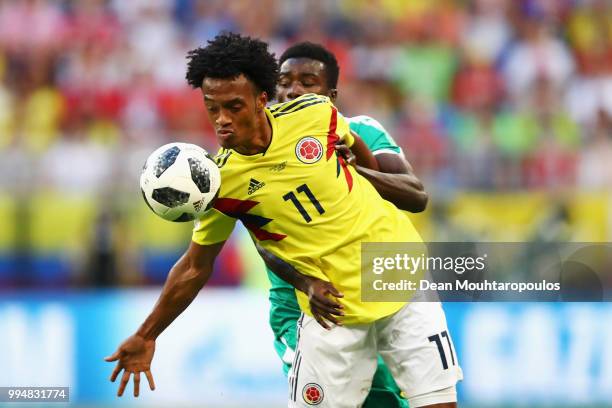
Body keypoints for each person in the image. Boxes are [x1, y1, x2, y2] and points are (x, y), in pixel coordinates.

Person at [105, 33, 462, 407]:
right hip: (331, 308)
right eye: (213, 109)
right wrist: (147, 334)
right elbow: (196, 267)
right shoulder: (219, 183)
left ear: (261, 100)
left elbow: (365, 163)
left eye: (234, 107)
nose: (222, 120)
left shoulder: (315, 114)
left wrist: (360, 171)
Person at [267, 41, 427, 408]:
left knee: (384, 399)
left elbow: (416, 196)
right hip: (301, 302)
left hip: (370, 290)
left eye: (308, 82)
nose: (293, 90)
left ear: (331, 95)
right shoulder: (259, 150)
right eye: (285, 81)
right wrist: (305, 283)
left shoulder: (362, 131)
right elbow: (261, 234)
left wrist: (356, 170)